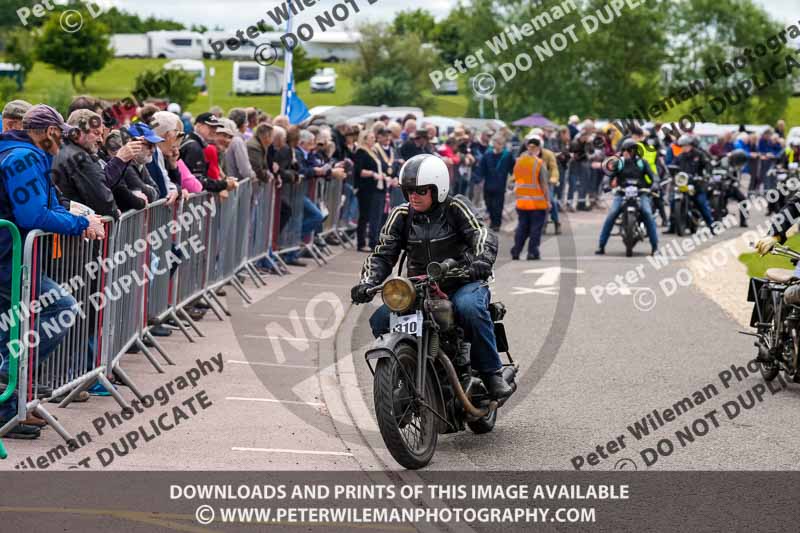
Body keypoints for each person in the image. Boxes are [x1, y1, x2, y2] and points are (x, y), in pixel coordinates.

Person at [349, 154, 511, 399]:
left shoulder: (456, 207)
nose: (413, 196)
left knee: (469, 309)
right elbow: (382, 254)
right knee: (380, 320)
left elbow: (481, 234)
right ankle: (407, 373)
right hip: (417, 288)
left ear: (438, 189)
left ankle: (491, 373)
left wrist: (481, 261)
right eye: (408, 190)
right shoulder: (401, 215)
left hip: (461, 281)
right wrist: (367, 282)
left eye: (421, 190)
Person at [0, 104, 106, 439]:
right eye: (60, 132)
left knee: (14, 325)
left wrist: (79, 218)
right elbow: (34, 215)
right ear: (49, 132)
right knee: (62, 308)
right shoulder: (23, 158)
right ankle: (10, 382)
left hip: (13, 256)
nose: (62, 139)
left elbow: (49, 205)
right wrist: (79, 225)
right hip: (8, 257)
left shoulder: (27, 155)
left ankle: (11, 403)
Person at [595, 138, 660, 255]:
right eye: (623, 150)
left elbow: (654, 176)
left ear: (634, 151)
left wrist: (655, 184)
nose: (625, 152)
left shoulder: (642, 163)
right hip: (622, 193)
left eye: (628, 150)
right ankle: (601, 245)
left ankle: (655, 247)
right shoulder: (618, 163)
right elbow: (608, 176)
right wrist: (606, 184)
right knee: (612, 214)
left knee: (648, 214)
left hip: (641, 193)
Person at [511, 137, 550, 260]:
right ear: (538, 149)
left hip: (522, 202)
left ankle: (516, 251)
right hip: (537, 203)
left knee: (522, 227)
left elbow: (515, 180)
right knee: (535, 229)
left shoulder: (518, 162)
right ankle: (532, 252)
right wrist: (548, 201)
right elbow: (544, 184)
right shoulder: (539, 163)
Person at [672, 135, 715, 233]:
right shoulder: (680, 157)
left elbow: (708, 165)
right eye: (682, 146)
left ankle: (711, 225)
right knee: (673, 201)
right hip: (683, 185)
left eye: (686, 145)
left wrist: (707, 174)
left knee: (701, 203)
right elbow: (673, 166)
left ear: (691, 145)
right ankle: (672, 226)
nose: (684, 148)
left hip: (697, 185)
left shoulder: (699, 155)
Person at [354, 129, 385, 252]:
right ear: (365, 139)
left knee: (371, 215)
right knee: (364, 215)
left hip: (375, 187)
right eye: (371, 138)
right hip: (365, 188)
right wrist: (373, 174)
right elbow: (360, 171)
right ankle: (361, 243)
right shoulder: (361, 152)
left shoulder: (373, 151)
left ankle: (370, 240)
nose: (374, 140)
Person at [477, 135, 514, 231]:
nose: (497, 145)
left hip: (500, 185)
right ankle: (493, 220)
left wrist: (513, 180)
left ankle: (496, 224)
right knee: (488, 204)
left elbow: (513, 169)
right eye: (495, 143)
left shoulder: (507, 156)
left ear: (502, 145)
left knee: (497, 205)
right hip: (488, 185)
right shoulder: (487, 155)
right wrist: (479, 178)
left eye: (499, 144)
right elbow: (481, 168)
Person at [526, 132, 560, 234]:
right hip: (532, 183)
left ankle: (556, 222)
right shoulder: (526, 156)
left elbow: (554, 168)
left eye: (535, 146)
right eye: (530, 146)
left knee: (551, 202)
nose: (532, 149)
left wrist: (554, 178)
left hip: (547, 182)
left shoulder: (548, 154)